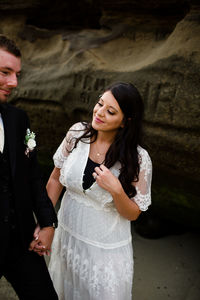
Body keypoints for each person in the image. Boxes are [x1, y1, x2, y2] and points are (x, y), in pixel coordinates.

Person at [34, 82, 152, 299]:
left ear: (126, 122)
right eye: (99, 104)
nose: (99, 113)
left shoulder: (138, 158)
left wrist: (116, 190)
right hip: (68, 238)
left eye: (110, 111)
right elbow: (55, 179)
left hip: (105, 252)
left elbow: (133, 214)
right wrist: (45, 223)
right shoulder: (77, 133)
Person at [0, 35, 58, 299]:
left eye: (17, 74)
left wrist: (47, 224)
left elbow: (33, 176)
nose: (14, 83)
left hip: (21, 239)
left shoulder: (18, 119)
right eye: (5, 72)